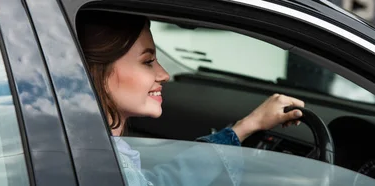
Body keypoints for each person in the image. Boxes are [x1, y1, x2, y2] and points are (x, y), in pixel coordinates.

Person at [77, 10, 305, 186]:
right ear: (98, 72)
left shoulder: (92, 153)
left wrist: (247, 126)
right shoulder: (103, 166)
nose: (164, 75)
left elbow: (163, 181)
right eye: (148, 61)